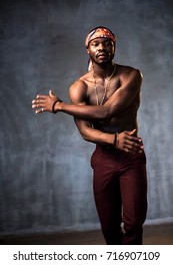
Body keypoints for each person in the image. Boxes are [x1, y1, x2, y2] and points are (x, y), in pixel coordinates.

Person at [32, 26, 147, 245]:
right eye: (96, 43)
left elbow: (107, 111)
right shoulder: (79, 87)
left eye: (107, 43)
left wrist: (58, 106)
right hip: (103, 158)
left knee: (133, 223)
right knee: (109, 225)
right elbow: (85, 131)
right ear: (88, 49)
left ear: (114, 47)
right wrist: (113, 140)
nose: (102, 47)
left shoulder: (131, 75)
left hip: (131, 157)